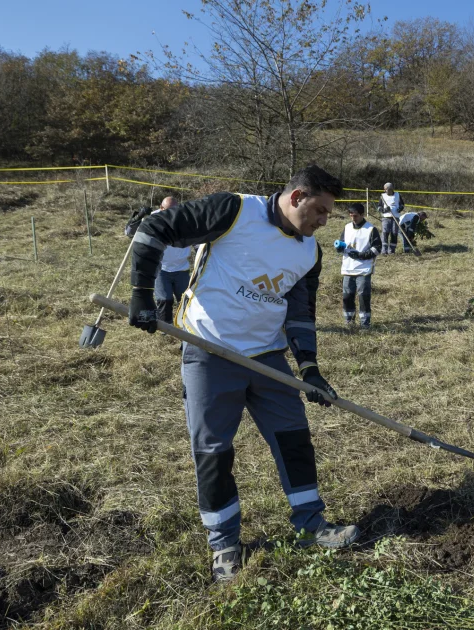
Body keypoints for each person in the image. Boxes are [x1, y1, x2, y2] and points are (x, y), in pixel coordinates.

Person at [127, 165, 359, 583]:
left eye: (328, 215)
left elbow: (301, 312)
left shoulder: (310, 251)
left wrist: (309, 366)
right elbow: (155, 229)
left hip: (267, 357)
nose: (325, 222)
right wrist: (142, 294)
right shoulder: (233, 211)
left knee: (294, 439)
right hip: (208, 350)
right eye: (321, 211)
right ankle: (225, 547)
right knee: (214, 451)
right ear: (296, 197)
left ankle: (310, 525)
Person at [338, 203, 382, 329]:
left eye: (356, 216)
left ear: (362, 214)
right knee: (347, 296)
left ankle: (365, 323)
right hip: (348, 268)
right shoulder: (347, 228)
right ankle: (349, 321)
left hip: (363, 269)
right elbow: (342, 243)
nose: (353, 218)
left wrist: (362, 255)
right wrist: (339, 247)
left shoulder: (370, 229)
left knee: (363, 296)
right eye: (351, 215)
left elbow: (377, 248)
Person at [151, 197, 192, 324]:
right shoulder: (153, 219)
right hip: (161, 267)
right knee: (164, 299)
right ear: (161, 208)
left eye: (175, 210)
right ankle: (165, 327)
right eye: (168, 210)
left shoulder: (187, 220)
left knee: (186, 299)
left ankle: (185, 324)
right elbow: (131, 232)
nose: (172, 213)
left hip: (182, 268)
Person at [378, 182, 403, 255]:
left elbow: (402, 204)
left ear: (392, 189)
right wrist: (384, 210)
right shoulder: (382, 196)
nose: (387, 191)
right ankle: (384, 250)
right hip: (386, 217)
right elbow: (379, 207)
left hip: (395, 217)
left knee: (394, 233)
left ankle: (392, 250)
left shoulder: (397, 195)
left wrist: (400, 209)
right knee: (385, 233)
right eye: (385, 190)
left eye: (388, 190)